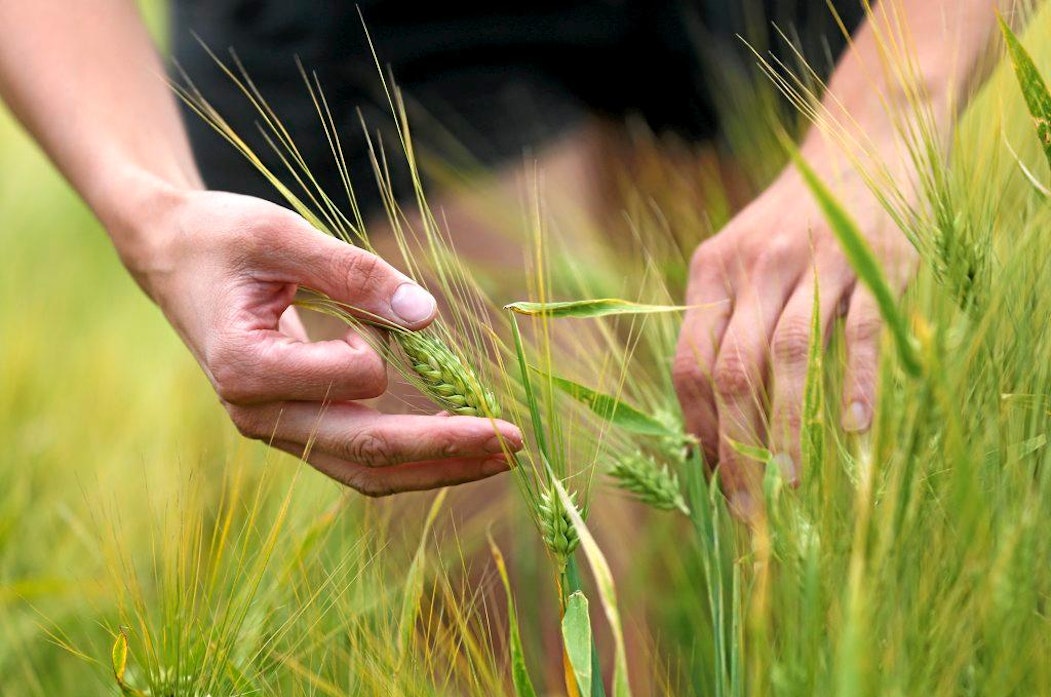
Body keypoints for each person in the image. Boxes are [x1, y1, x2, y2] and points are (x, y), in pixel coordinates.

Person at [0, 1, 1002, 514]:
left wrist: (888, 122)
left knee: (781, 571)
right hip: (388, 35)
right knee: (560, 633)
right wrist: (153, 213)